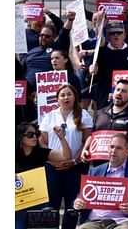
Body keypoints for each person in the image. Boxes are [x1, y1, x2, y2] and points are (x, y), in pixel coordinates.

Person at [38, 84, 93, 224]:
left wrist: (74, 161)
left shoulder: (83, 115)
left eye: (69, 94)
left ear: (75, 97)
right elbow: (41, 142)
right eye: (62, 95)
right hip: (53, 167)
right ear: (57, 99)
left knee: (72, 207)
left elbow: (87, 140)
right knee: (51, 206)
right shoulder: (49, 116)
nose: (66, 97)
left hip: (76, 167)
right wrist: (51, 159)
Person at [72, 133, 128, 229]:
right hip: (94, 220)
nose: (114, 151)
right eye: (111, 147)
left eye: (118, 148)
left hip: (122, 221)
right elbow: (82, 195)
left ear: (127, 152)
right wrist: (77, 202)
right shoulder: (95, 171)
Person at [81, 79, 128, 165]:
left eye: (123, 91)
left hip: (125, 167)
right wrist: (85, 149)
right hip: (100, 167)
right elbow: (92, 135)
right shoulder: (100, 113)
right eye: (117, 89)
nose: (119, 93)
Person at [16, 122, 72, 229]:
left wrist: (61, 138)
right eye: (30, 135)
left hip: (38, 200)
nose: (34, 137)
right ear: (20, 137)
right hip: (18, 201)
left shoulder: (40, 152)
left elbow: (66, 156)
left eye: (36, 134)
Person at [89, 20, 128, 109]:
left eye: (119, 32)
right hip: (105, 94)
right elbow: (91, 74)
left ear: (124, 35)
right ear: (108, 35)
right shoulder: (100, 51)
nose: (116, 35)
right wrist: (92, 70)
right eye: (112, 33)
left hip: (127, 94)